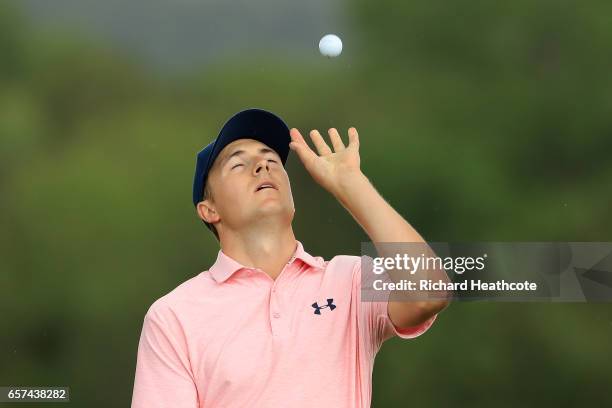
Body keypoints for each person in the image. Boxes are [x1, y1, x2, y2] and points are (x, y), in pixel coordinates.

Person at [131, 108, 450, 407]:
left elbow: (428, 294)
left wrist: (351, 185)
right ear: (209, 210)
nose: (263, 166)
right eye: (238, 164)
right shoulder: (174, 316)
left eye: (272, 160)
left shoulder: (349, 280)